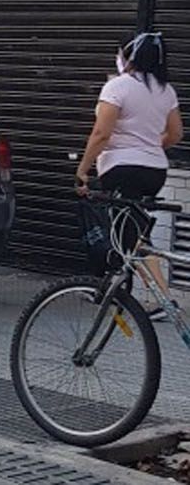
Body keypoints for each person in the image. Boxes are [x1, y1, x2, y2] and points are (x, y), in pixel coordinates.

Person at [74, 32, 183, 317]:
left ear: (130, 56)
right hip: (155, 171)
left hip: (122, 170)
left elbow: (101, 134)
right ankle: (118, 291)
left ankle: (160, 300)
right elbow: (176, 133)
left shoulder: (117, 87)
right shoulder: (165, 90)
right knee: (132, 233)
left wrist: (83, 169)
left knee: (128, 236)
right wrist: (147, 145)